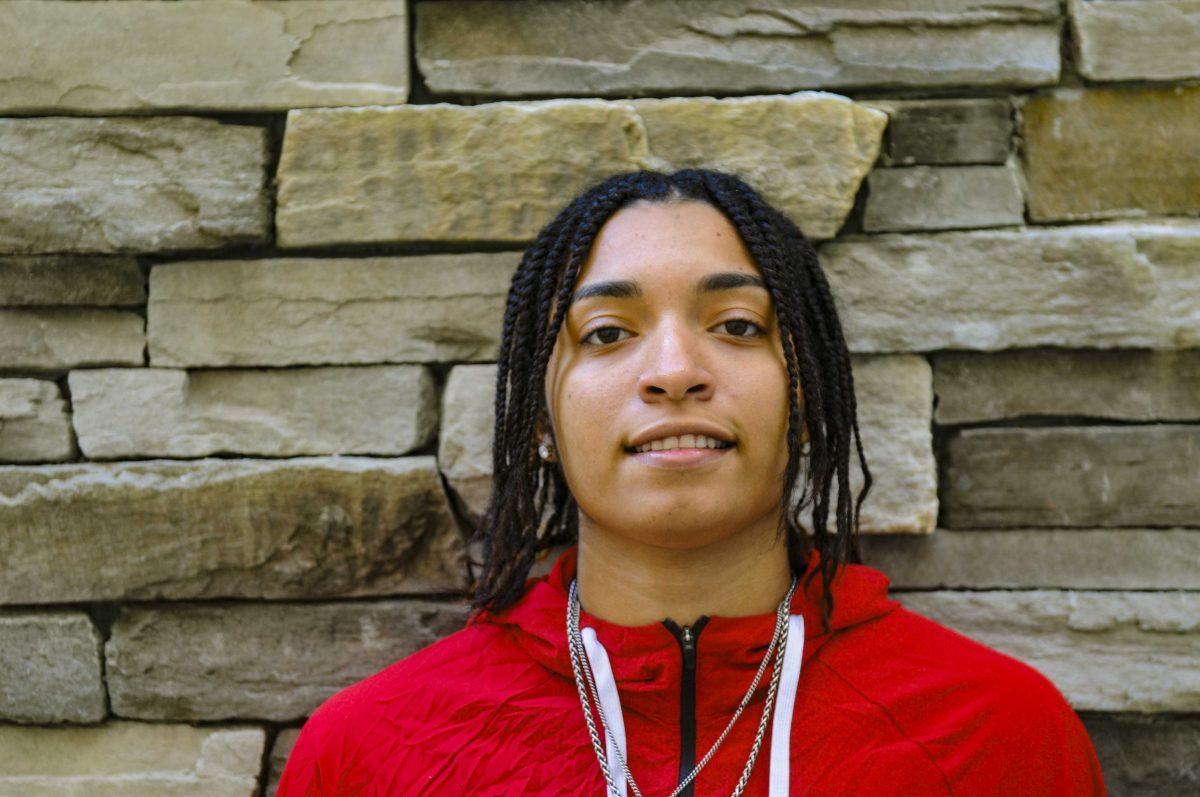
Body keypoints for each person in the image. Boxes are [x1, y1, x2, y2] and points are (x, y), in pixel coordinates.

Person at [276, 169, 1107, 795]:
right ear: (537, 415)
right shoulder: (371, 754)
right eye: (607, 333)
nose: (674, 371)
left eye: (737, 326)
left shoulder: (1003, 736)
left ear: (807, 393)